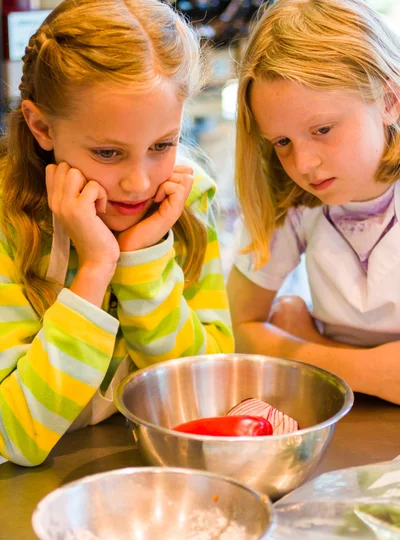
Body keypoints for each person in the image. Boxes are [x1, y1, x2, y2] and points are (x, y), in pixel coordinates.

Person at [0, 0, 234, 466]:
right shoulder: (8, 224)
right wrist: (96, 268)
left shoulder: (187, 201)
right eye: (108, 152)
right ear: (41, 126)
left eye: (162, 146)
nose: (139, 183)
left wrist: (142, 261)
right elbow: (12, 436)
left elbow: (209, 397)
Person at [228, 0, 400, 405]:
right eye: (282, 142)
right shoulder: (291, 199)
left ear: (389, 102)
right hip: (341, 413)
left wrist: (302, 343)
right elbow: (237, 326)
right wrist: (367, 371)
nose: (303, 165)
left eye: (322, 129)